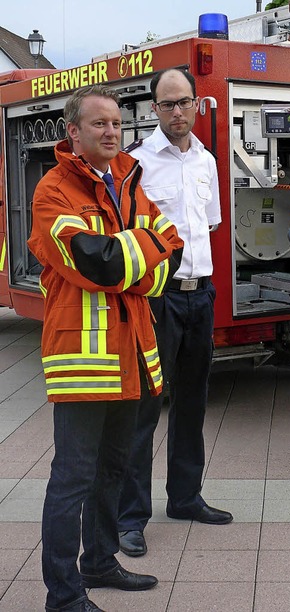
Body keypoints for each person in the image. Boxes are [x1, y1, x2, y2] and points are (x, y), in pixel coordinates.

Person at [28, 84, 184, 612]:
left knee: (115, 469)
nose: (112, 131)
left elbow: (173, 249)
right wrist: (135, 260)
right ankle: (63, 595)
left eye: (116, 123)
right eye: (99, 124)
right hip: (84, 362)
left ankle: (99, 562)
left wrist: (129, 263)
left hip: (132, 355)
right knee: (72, 479)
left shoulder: (128, 182)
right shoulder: (54, 192)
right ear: (72, 132)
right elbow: (95, 261)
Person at [118, 68, 231, 558]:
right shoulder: (135, 165)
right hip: (156, 300)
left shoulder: (205, 160)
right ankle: (130, 518)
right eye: (168, 105)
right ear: (153, 110)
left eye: (184, 102)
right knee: (145, 407)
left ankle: (185, 498)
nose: (178, 112)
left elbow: (208, 227)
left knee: (193, 403)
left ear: (195, 104)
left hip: (199, 296)